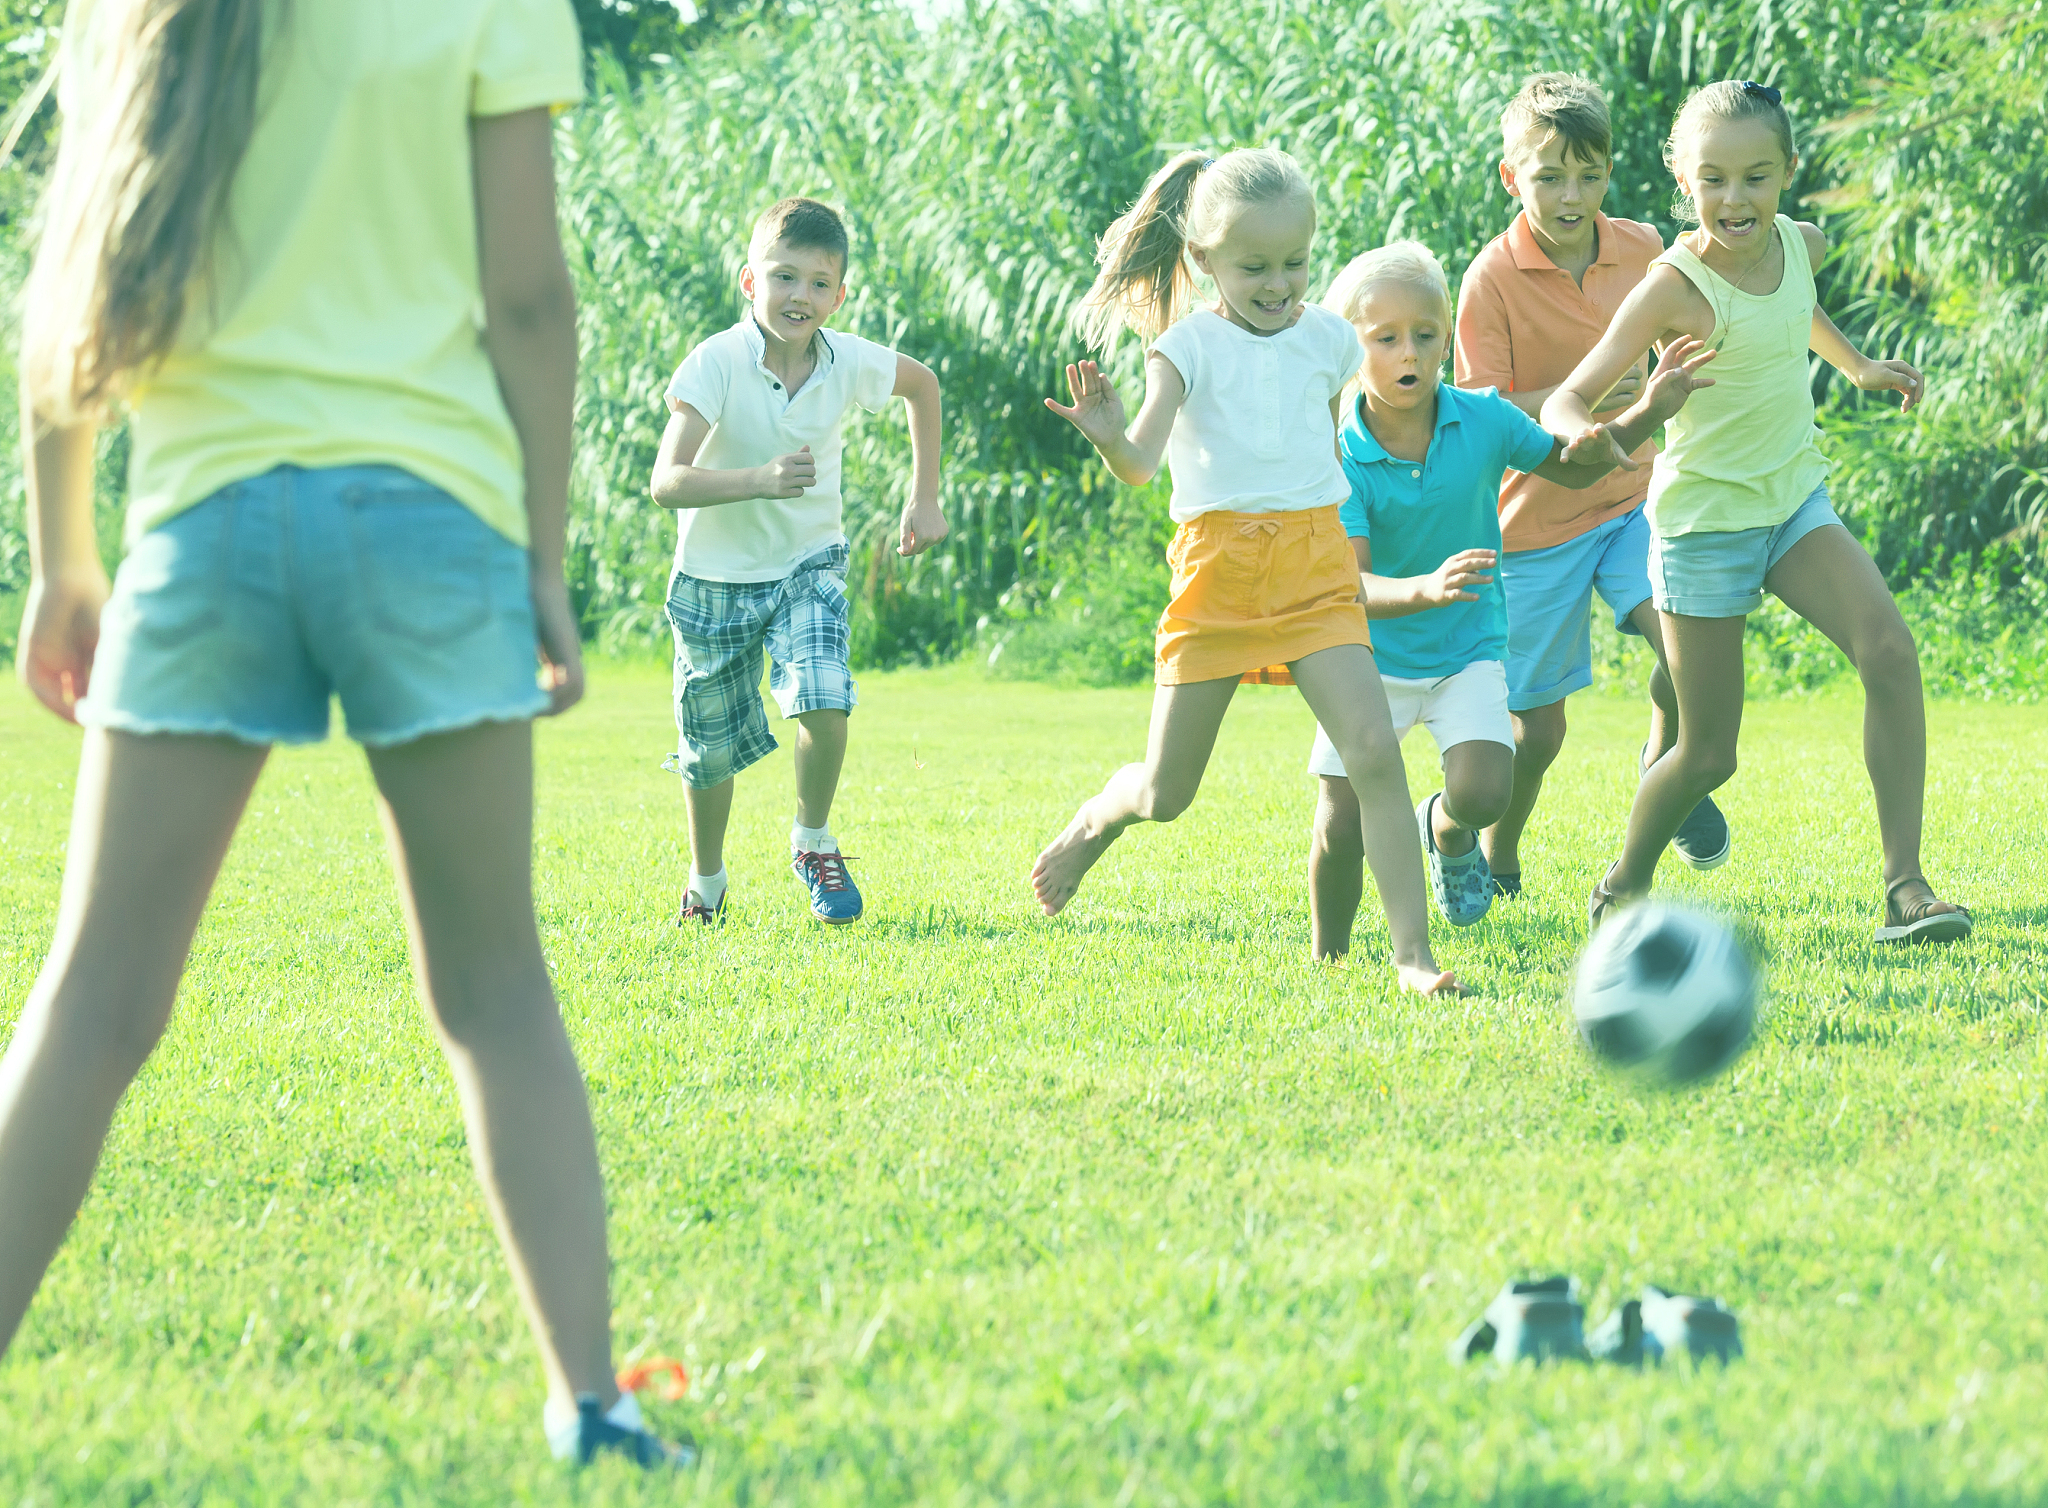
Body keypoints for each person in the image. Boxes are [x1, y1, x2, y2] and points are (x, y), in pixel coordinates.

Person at [0, 0, 686, 1469]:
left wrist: (64, 557)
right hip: (428, 524)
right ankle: (593, 1406)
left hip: (205, 527)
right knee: (494, 992)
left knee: (94, 997)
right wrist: (544, 557)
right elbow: (527, 299)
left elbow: (74, 276)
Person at [1543, 80, 1970, 942]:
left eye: (1755, 177)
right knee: (1708, 754)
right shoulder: (1672, 288)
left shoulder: (1799, 242)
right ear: (1683, 179)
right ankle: (1623, 885)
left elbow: (1796, 304)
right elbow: (1566, 400)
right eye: (1713, 180)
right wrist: (1625, 420)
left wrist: (1857, 367)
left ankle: (1906, 888)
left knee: (1889, 651)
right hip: (1702, 530)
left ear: (1788, 172)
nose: (1734, 199)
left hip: (1792, 505)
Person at [1030, 146, 1461, 995]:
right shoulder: (1183, 348)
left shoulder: (1331, 340)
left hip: (1313, 564)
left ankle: (1412, 957)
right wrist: (1110, 436)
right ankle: (1096, 822)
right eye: (1254, 266)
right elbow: (1141, 465)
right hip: (1218, 575)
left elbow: (1324, 443)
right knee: (1166, 792)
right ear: (1204, 259)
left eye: (1295, 262)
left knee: (1375, 752)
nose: (1279, 284)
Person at [1305, 242, 1714, 957]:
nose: (1410, 353)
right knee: (1343, 823)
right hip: (1366, 660)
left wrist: (1647, 409)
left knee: (1485, 794)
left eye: (1426, 334)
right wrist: (1425, 588)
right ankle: (1328, 956)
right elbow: (1352, 585)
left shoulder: (1483, 419)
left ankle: (1444, 827)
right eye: (1386, 338)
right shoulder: (1342, 457)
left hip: (1468, 649)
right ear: (1349, 351)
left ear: (1447, 341)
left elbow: (1573, 468)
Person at [1454, 72, 1729, 899]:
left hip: (1636, 499)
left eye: (1589, 174)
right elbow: (1481, 413)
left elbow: (1722, 290)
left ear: (1610, 171)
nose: (1572, 196)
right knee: (1537, 734)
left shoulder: (1643, 248)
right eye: (1550, 177)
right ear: (1512, 177)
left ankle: (1664, 764)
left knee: (1687, 652)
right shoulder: (1489, 279)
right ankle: (1496, 853)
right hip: (1535, 525)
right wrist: (1586, 396)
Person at [648, 197, 946, 927]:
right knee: (708, 752)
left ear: (838, 297)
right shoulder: (716, 362)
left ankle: (813, 843)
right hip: (714, 579)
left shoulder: (846, 361)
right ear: (750, 281)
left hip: (807, 564)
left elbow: (923, 386)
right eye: (784, 277)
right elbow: (666, 482)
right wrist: (758, 479)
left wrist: (924, 498)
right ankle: (707, 881)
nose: (800, 296)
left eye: (819, 283)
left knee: (824, 690)